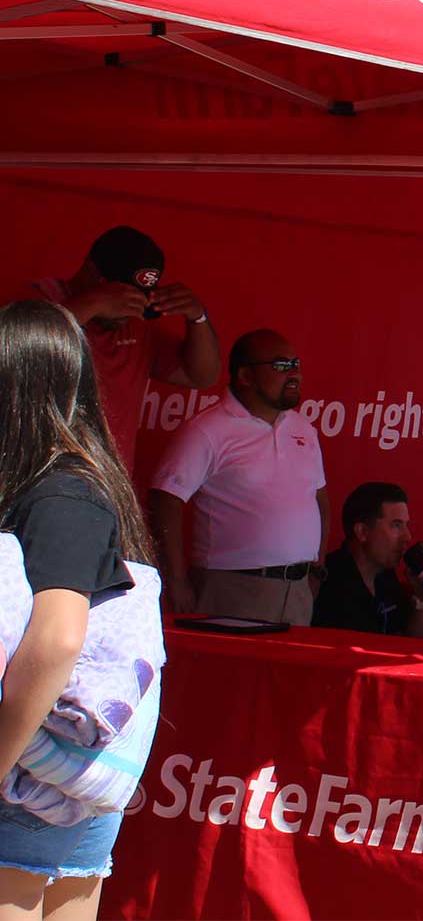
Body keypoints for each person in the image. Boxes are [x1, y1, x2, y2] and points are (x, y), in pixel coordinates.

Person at [0, 300, 164, 915]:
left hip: (28, 780)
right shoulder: (81, 482)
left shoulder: (60, 490)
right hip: (60, 777)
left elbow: (59, 637)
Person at [146, 331, 328, 623]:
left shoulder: (304, 429)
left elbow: (319, 500)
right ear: (245, 376)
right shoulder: (206, 429)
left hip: (297, 592)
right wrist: (176, 582)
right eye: (281, 366)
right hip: (231, 589)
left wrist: (317, 569)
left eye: (296, 364)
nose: (294, 373)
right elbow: (164, 501)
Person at [18, 226, 219, 474]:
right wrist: (94, 303)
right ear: (91, 271)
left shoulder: (136, 326)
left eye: (137, 297)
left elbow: (201, 375)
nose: (127, 306)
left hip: (107, 489)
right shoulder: (33, 303)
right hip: (36, 482)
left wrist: (197, 317)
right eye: (119, 293)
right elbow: (23, 347)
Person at [312, 483, 423, 639]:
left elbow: (410, 643)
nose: (407, 536)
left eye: (406, 525)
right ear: (362, 532)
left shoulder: (385, 576)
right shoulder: (330, 584)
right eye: (396, 525)